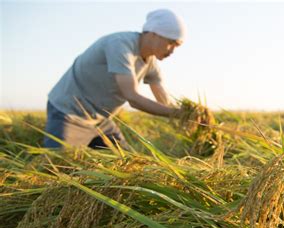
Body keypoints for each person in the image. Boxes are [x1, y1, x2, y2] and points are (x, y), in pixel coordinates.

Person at [44, 9, 186, 149]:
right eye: (171, 42)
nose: (172, 50)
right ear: (154, 34)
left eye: (176, 46)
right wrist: (178, 114)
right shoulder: (120, 45)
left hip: (101, 121)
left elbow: (164, 102)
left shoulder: (151, 62)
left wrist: (187, 116)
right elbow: (133, 98)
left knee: (129, 165)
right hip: (69, 113)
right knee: (55, 166)